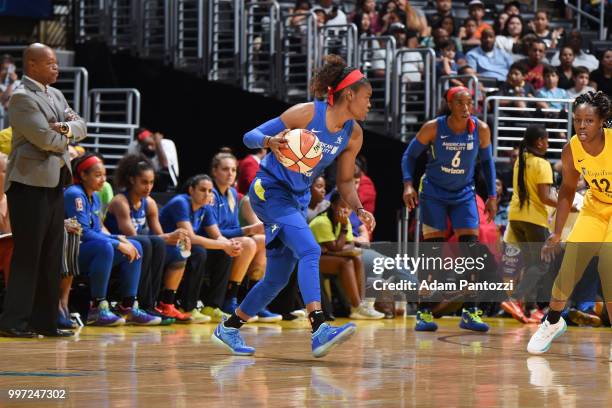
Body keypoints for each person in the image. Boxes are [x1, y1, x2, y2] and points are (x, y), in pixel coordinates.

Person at [211, 55, 375, 358]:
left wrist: (358, 208)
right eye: (367, 97)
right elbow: (250, 137)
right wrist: (271, 141)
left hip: (296, 199)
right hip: (270, 191)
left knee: (277, 277)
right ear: (349, 95)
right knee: (311, 250)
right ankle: (319, 327)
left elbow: (346, 182)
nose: (370, 104)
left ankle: (229, 327)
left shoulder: (353, 134)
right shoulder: (307, 112)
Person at [0, 43, 87, 338]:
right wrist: (67, 137)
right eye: (50, 63)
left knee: (52, 254)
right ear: (32, 65)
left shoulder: (56, 94)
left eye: (56, 63)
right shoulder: (21, 97)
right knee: (28, 255)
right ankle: (14, 322)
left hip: (54, 182)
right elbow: (43, 139)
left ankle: (45, 322)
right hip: (28, 185)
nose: (56, 67)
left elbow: (81, 126)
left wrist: (62, 128)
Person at [401, 86, 497, 332]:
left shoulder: (481, 129)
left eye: (469, 103)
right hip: (434, 193)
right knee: (432, 254)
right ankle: (423, 311)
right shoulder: (434, 127)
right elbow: (409, 157)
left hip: (463, 194)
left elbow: (487, 163)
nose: (466, 107)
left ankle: (470, 311)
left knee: (471, 252)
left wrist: (492, 196)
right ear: (449, 105)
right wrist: (408, 185)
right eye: (460, 103)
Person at [527, 91, 612, 354]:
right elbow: (566, 190)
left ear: (602, 122)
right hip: (595, 207)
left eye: (589, 120)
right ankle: (552, 322)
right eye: (578, 120)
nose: (582, 126)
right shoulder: (571, 148)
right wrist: (556, 233)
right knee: (569, 266)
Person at [65, 153, 161, 326]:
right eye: (97, 175)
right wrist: (116, 242)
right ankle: (97, 308)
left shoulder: (93, 196)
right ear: (83, 175)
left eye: (104, 174)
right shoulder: (75, 194)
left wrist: (118, 238)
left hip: (87, 250)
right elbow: (83, 232)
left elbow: (95, 229)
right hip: (68, 253)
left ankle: (128, 307)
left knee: (135, 245)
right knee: (106, 247)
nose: (103, 179)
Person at [105, 155, 198, 324]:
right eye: (144, 182)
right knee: (149, 244)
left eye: (151, 182)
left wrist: (179, 237)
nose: (148, 187)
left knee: (176, 253)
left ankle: (161, 304)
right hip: (118, 248)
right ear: (132, 180)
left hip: (142, 248)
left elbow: (159, 235)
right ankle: (140, 305)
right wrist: (166, 237)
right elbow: (132, 235)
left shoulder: (149, 203)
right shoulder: (121, 202)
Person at [158, 175, 242, 322]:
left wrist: (230, 245)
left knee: (224, 253)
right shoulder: (180, 203)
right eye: (203, 190)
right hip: (165, 245)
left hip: (184, 246)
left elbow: (217, 235)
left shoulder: (206, 207)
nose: (207, 194)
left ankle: (211, 306)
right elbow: (190, 237)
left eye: (210, 191)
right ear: (191, 190)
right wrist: (224, 245)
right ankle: (187, 307)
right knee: (199, 252)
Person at [210, 150, 281, 322]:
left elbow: (233, 227)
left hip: (230, 240)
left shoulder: (233, 194)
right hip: (212, 241)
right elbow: (214, 232)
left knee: (262, 240)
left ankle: (255, 301)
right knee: (249, 243)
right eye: (225, 169)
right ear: (214, 171)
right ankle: (230, 299)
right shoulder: (209, 193)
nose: (230, 174)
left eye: (233, 170)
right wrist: (247, 230)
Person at [501, 126, 557, 324]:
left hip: (515, 217)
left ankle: (531, 308)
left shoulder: (520, 161)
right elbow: (545, 197)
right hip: (534, 219)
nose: (548, 144)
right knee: (542, 264)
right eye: (546, 140)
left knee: (531, 264)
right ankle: (516, 299)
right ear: (540, 142)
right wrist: (569, 205)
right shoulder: (542, 164)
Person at [309, 190, 384, 319]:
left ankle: (360, 304)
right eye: (342, 207)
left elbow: (348, 245)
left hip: (327, 256)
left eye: (349, 208)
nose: (346, 211)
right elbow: (336, 247)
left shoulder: (345, 221)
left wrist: (338, 249)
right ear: (333, 205)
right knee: (346, 262)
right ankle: (356, 306)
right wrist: (343, 232)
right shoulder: (322, 221)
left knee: (356, 258)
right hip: (310, 261)